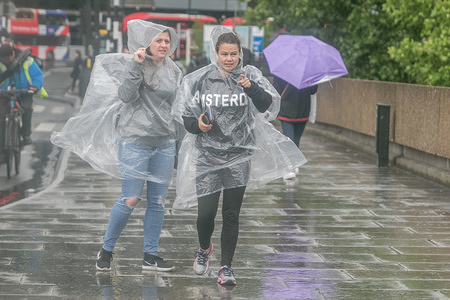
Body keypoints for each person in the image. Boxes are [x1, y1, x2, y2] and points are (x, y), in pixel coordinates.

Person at [172, 26, 306, 286]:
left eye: (234, 54)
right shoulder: (200, 80)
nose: (229, 58)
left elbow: (268, 107)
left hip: (239, 156)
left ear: (240, 55)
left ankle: (226, 268)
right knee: (205, 216)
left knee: (231, 215)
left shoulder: (249, 77)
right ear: (216, 54)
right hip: (207, 157)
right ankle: (203, 248)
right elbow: (187, 118)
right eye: (225, 54)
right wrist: (198, 125)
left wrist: (252, 88)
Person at [51, 20, 183, 272]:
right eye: (159, 40)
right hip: (134, 141)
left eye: (167, 40)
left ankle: (150, 256)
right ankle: (107, 250)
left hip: (164, 142)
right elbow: (126, 96)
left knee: (158, 201)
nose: (164, 44)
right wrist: (135, 64)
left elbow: (177, 107)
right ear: (147, 44)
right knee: (130, 199)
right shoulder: (135, 65)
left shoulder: (175, 70)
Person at [273, 76, 318, 180]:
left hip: (287, 109)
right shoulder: (309, 73)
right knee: (295, 140)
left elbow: (276, 90)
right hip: (303, 109)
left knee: (290, 140)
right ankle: (293, 166)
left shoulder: (281, 73)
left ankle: (291, 168)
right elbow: (313, 90)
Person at [0, 43, 44, 147]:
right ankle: (1, 147)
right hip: (6, 93)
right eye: (3, 58)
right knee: (1, 116)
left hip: (25, 92)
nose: (6, 61)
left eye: (8, 58)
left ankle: (26, 135)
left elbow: (37, 75)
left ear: (13, 53)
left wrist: (35, 85)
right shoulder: (1, 62)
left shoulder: (28, 61)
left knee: (26, 109)